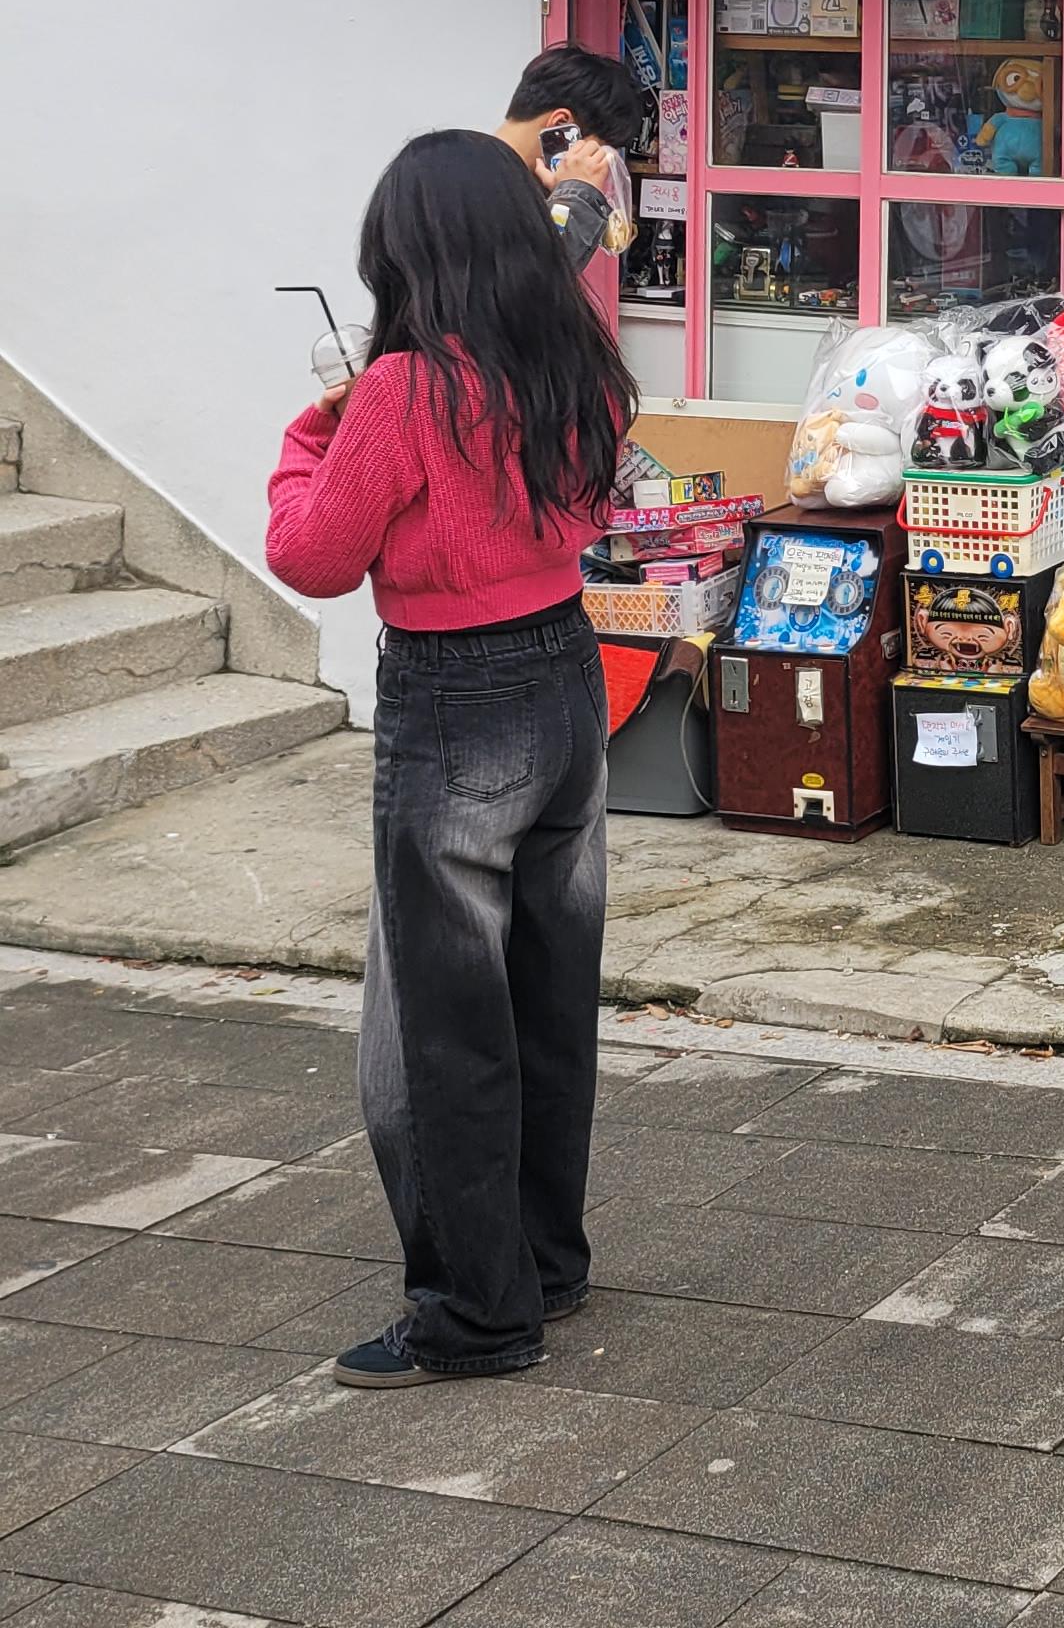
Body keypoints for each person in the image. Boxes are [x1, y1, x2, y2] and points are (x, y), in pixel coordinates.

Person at [266, 130, 636, 1386]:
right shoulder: (578, 364)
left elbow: (314, 554)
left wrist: (307, 438)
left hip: (453, 699)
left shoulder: (402, 391)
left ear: (408, 252)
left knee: (448, 1020)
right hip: (568, 675)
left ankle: (477, 1312)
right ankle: (545, 1260)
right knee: (549, 994)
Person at [494, 45, 646, 274]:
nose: (599, 165)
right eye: (596, 151)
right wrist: (576, 194)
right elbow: (538, 280)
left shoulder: (507, 180)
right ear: (561, 125)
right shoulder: (482, 185)